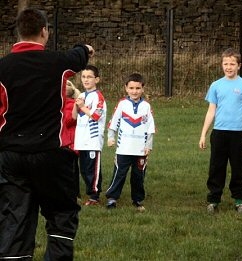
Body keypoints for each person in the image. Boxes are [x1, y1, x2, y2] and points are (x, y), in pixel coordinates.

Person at [0, 8, 94, 260]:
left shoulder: (3, 68)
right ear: (44, 31)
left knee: (15, 219)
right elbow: (80, 55)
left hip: (11, 156)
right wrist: (85, 48)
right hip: (51, 153)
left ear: (18, 33)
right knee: (61, 215)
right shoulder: (58, 62)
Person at [199, 47, 242, 214]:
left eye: (232, 64)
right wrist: (204, 134)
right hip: (219, 133)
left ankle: (239, 200)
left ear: (239, 65)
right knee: (216, 167)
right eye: (225, 63)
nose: (229, 67)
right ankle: (214, 200)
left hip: (239, 134)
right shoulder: (216, 85)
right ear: (221, 65)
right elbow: (211, 111)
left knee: (239, 167)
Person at [105, 73, 155, 212]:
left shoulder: (146, 106)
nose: (134, 91)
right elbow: (113, 122)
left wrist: (148, 146)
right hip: (123, 148)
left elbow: (151, 127)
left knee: (138, 176)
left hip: (140, 150)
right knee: (119, 173)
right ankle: (112, 198)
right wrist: (111, 137)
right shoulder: (122, 104)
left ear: (142, 89)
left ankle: (138, 200)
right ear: (126, 88)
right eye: (131, 88)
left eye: (138, 88)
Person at [73, 64, 107, 206]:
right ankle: (90, 193)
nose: (86, 80)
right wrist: (76, 106)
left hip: (92, 139)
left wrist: (82, 106)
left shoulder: (98, 97)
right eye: (83, 77)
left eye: (89, 77)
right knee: (84, 168)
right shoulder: (81, 95)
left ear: (97, 79)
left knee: (92, 169)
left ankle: (94, 196)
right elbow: (74, 117)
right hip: (81, 139)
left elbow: (96, 116)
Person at [64, 80, 81, 198]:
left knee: (71, 169)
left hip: (70, 142)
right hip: (68, 141)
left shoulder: (70, 104)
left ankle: (74, 192)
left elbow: (68, 121)